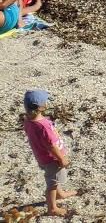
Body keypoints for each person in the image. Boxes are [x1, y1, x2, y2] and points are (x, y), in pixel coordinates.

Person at [22, 89, 74, 217]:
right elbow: (51, 146)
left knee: (54, 180)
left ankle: (60, 194)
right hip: (52, 159)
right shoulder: (42, 125)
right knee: (52, 184)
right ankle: (52, 208)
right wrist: (61, 158)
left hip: (42, 157)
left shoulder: (28, 121)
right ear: (40, 107)